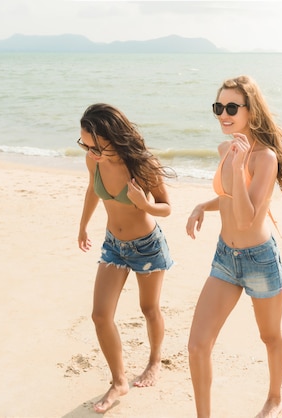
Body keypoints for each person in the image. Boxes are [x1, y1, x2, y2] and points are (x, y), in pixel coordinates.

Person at [186, 75, 282, 418]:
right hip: (225, 257)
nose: (223, 114)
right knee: (197, 345)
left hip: (259, 260)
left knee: (270, 337)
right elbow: (229, 199)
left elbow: (247, 216)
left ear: (251, 110)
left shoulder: (265, 158)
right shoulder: (226, 149)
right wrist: (204, 205)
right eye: (218, 107)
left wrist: (237, 164)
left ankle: (274, 398)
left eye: (231, 107)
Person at [77, 103, 174, 413]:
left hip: (147, 246)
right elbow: (93, 190)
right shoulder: (93, 160)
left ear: (112, 138)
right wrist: (82, 225)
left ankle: (154, 361)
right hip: (114, 245)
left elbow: (166, 207)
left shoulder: (143, 165)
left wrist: (143, 203)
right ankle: (119, 382)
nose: (90, 151)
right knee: (100, 315)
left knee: (149, 308)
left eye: (95, 146)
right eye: (84, 144)